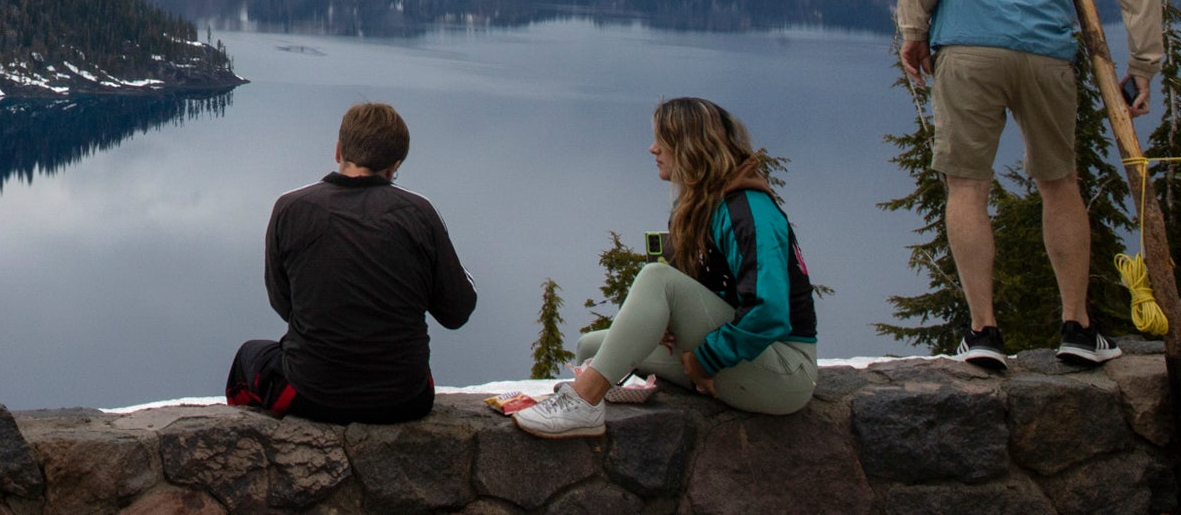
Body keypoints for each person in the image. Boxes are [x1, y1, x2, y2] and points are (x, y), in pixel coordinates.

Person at [894, 0, 1162, 371]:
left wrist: (913, 28)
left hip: (968, 49)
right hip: (1046, 54)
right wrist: (1141, 67)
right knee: (1059, 183)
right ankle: (1077, 327)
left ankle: (984, 331)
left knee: (967, 186)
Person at [513, 97, 817, 437]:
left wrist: (704, 361)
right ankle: (586, 398)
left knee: (656, 278)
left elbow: (769, 312)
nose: (653, 149)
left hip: (785, 372)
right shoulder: (701, 208)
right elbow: (701, 295)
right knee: (591, 349)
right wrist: (670, 323)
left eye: (663, 140)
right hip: (746, 361)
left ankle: (582, 405)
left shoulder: (749, 212)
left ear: (690, 147)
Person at [228, 100, 477, 424]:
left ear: (338, 150)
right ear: (394, 165)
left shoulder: (290, 208)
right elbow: (457, 311)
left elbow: (284, 304)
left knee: (248, 358)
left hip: (309, 393)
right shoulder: (419, 213)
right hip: (405, 399)